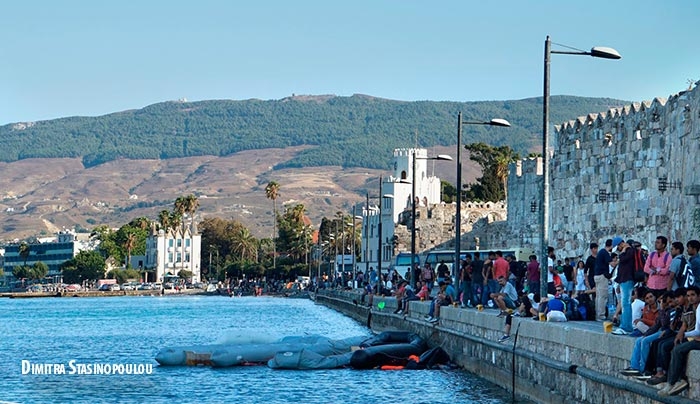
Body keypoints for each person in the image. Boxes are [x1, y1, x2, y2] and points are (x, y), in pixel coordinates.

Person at [621, 291, 674, 378]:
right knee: (639, 340)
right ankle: (634, 367)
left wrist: (661, 309)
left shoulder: (669, 310)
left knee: (645, 341)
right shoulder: (646, 308)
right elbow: (656, 325)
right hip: (654, 330)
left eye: (651, 297)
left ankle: (643, 369)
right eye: (647, 298)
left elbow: (664, 325)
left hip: (665, 332)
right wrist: (646, 334)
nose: (649, 299)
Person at [659, 285, 700, 396]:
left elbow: (697, 331)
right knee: (673, 346)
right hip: (696, 338)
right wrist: (682, 335)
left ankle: (675, 381)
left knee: (677, 350)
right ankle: (673, 380)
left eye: (693, 295)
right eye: (688, 295)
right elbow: (695, 330)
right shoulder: (696, 308)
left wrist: (684, 334)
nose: (690, 298)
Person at [612, 237, 636, 334]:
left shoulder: (629, 251)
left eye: (618, 248)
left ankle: (626, 327)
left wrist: (624, 250)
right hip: (623, 280)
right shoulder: (627, 251)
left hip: (627, 279)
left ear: (621, 244)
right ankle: (625, 325)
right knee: (624, 302)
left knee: (626, 303)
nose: (618, 250)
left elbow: (622, 259)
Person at [593, 240, 612, 320]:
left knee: (598, 296)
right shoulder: (605, 253)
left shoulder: (601, 252)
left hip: (597, 276)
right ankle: (601, 315)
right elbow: (611, 263)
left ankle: (598, 314)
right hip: (602, 276)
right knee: (603, 296)